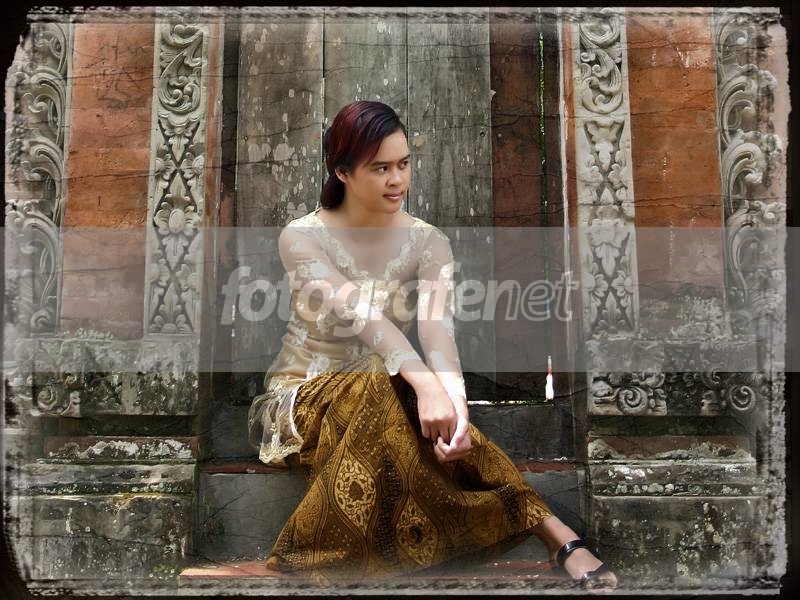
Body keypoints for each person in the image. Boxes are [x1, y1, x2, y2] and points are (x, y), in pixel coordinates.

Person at [247, 100, 618, 591]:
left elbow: (437, 331)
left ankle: (554, 536)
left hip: (388, 393)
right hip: (301, 400)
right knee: (382, 378)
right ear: (342, 171)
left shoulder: (429, 242)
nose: (397, 179)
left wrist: (457, 410)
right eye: (380, 168)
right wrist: (425, 385)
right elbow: (364, 318)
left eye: (403, 164)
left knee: (394, 391)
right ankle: (554, 535)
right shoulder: (301, 237)